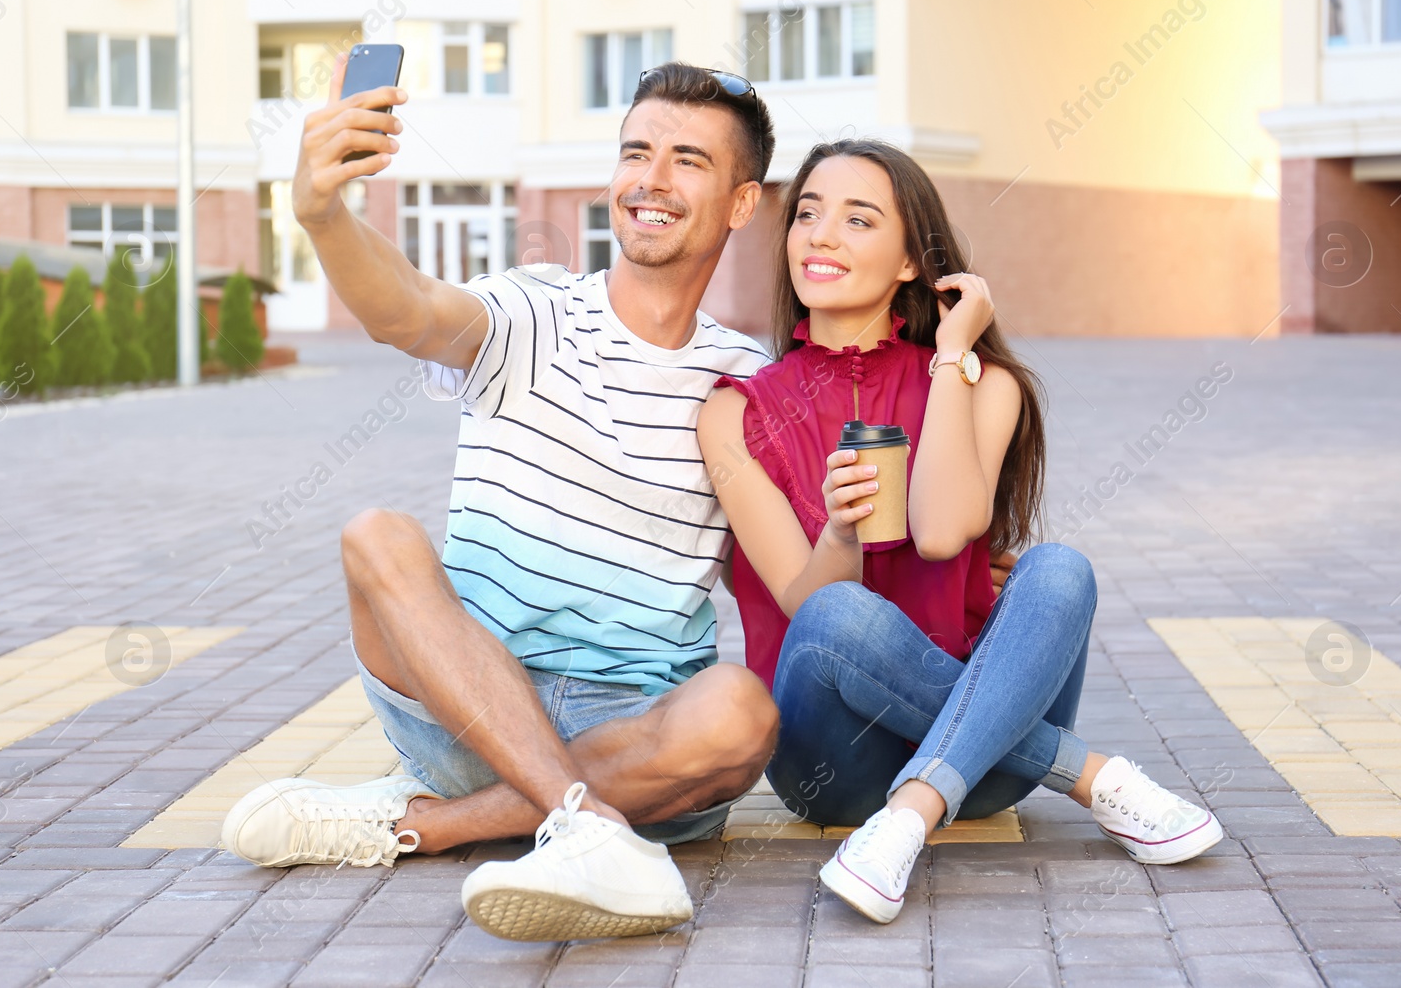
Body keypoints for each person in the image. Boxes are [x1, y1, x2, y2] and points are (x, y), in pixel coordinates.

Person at [221, 61, 782, 942]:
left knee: (742, 709)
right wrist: (325, 214)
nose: (651, 179)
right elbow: (405, 309)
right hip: (466, 705)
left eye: (687, 160)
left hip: (635, 731)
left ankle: (422, 825)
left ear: (742, 204)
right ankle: (583, 821)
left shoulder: (751, 381)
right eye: (636, 152)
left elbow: (816, 546)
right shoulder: (533, 310)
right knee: (377, 535)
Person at [696, 138, 1222, 926]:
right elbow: (809, 612)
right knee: (843, 614)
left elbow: (942, 533)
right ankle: (1089, 773)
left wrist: (949, 356)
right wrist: (841, 531)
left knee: (1059, 570)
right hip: (829, 763)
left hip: (986, 763)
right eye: (807, 213)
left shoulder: (986, 385)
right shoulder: (735, 412)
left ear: (912, 260)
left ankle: (908, 814)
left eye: (858, 218)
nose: (820, 234)